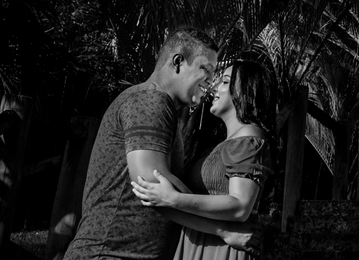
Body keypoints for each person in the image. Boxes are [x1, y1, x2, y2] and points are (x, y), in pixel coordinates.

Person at [64, 27, 260, 260]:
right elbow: (151, 186)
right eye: (206, 69)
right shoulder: (150, 100)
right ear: (178, 62)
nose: (211, 81)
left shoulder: (160, 107)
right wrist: (223, 230)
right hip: (109, 253)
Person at [131, 58, 277, 260]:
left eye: (225, 82)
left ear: (247, 90)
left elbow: (240, 206)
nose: (214, 88)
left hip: (221, 250)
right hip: (202, 242)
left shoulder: (248, 139)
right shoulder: (222, 144)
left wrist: (174, 198)